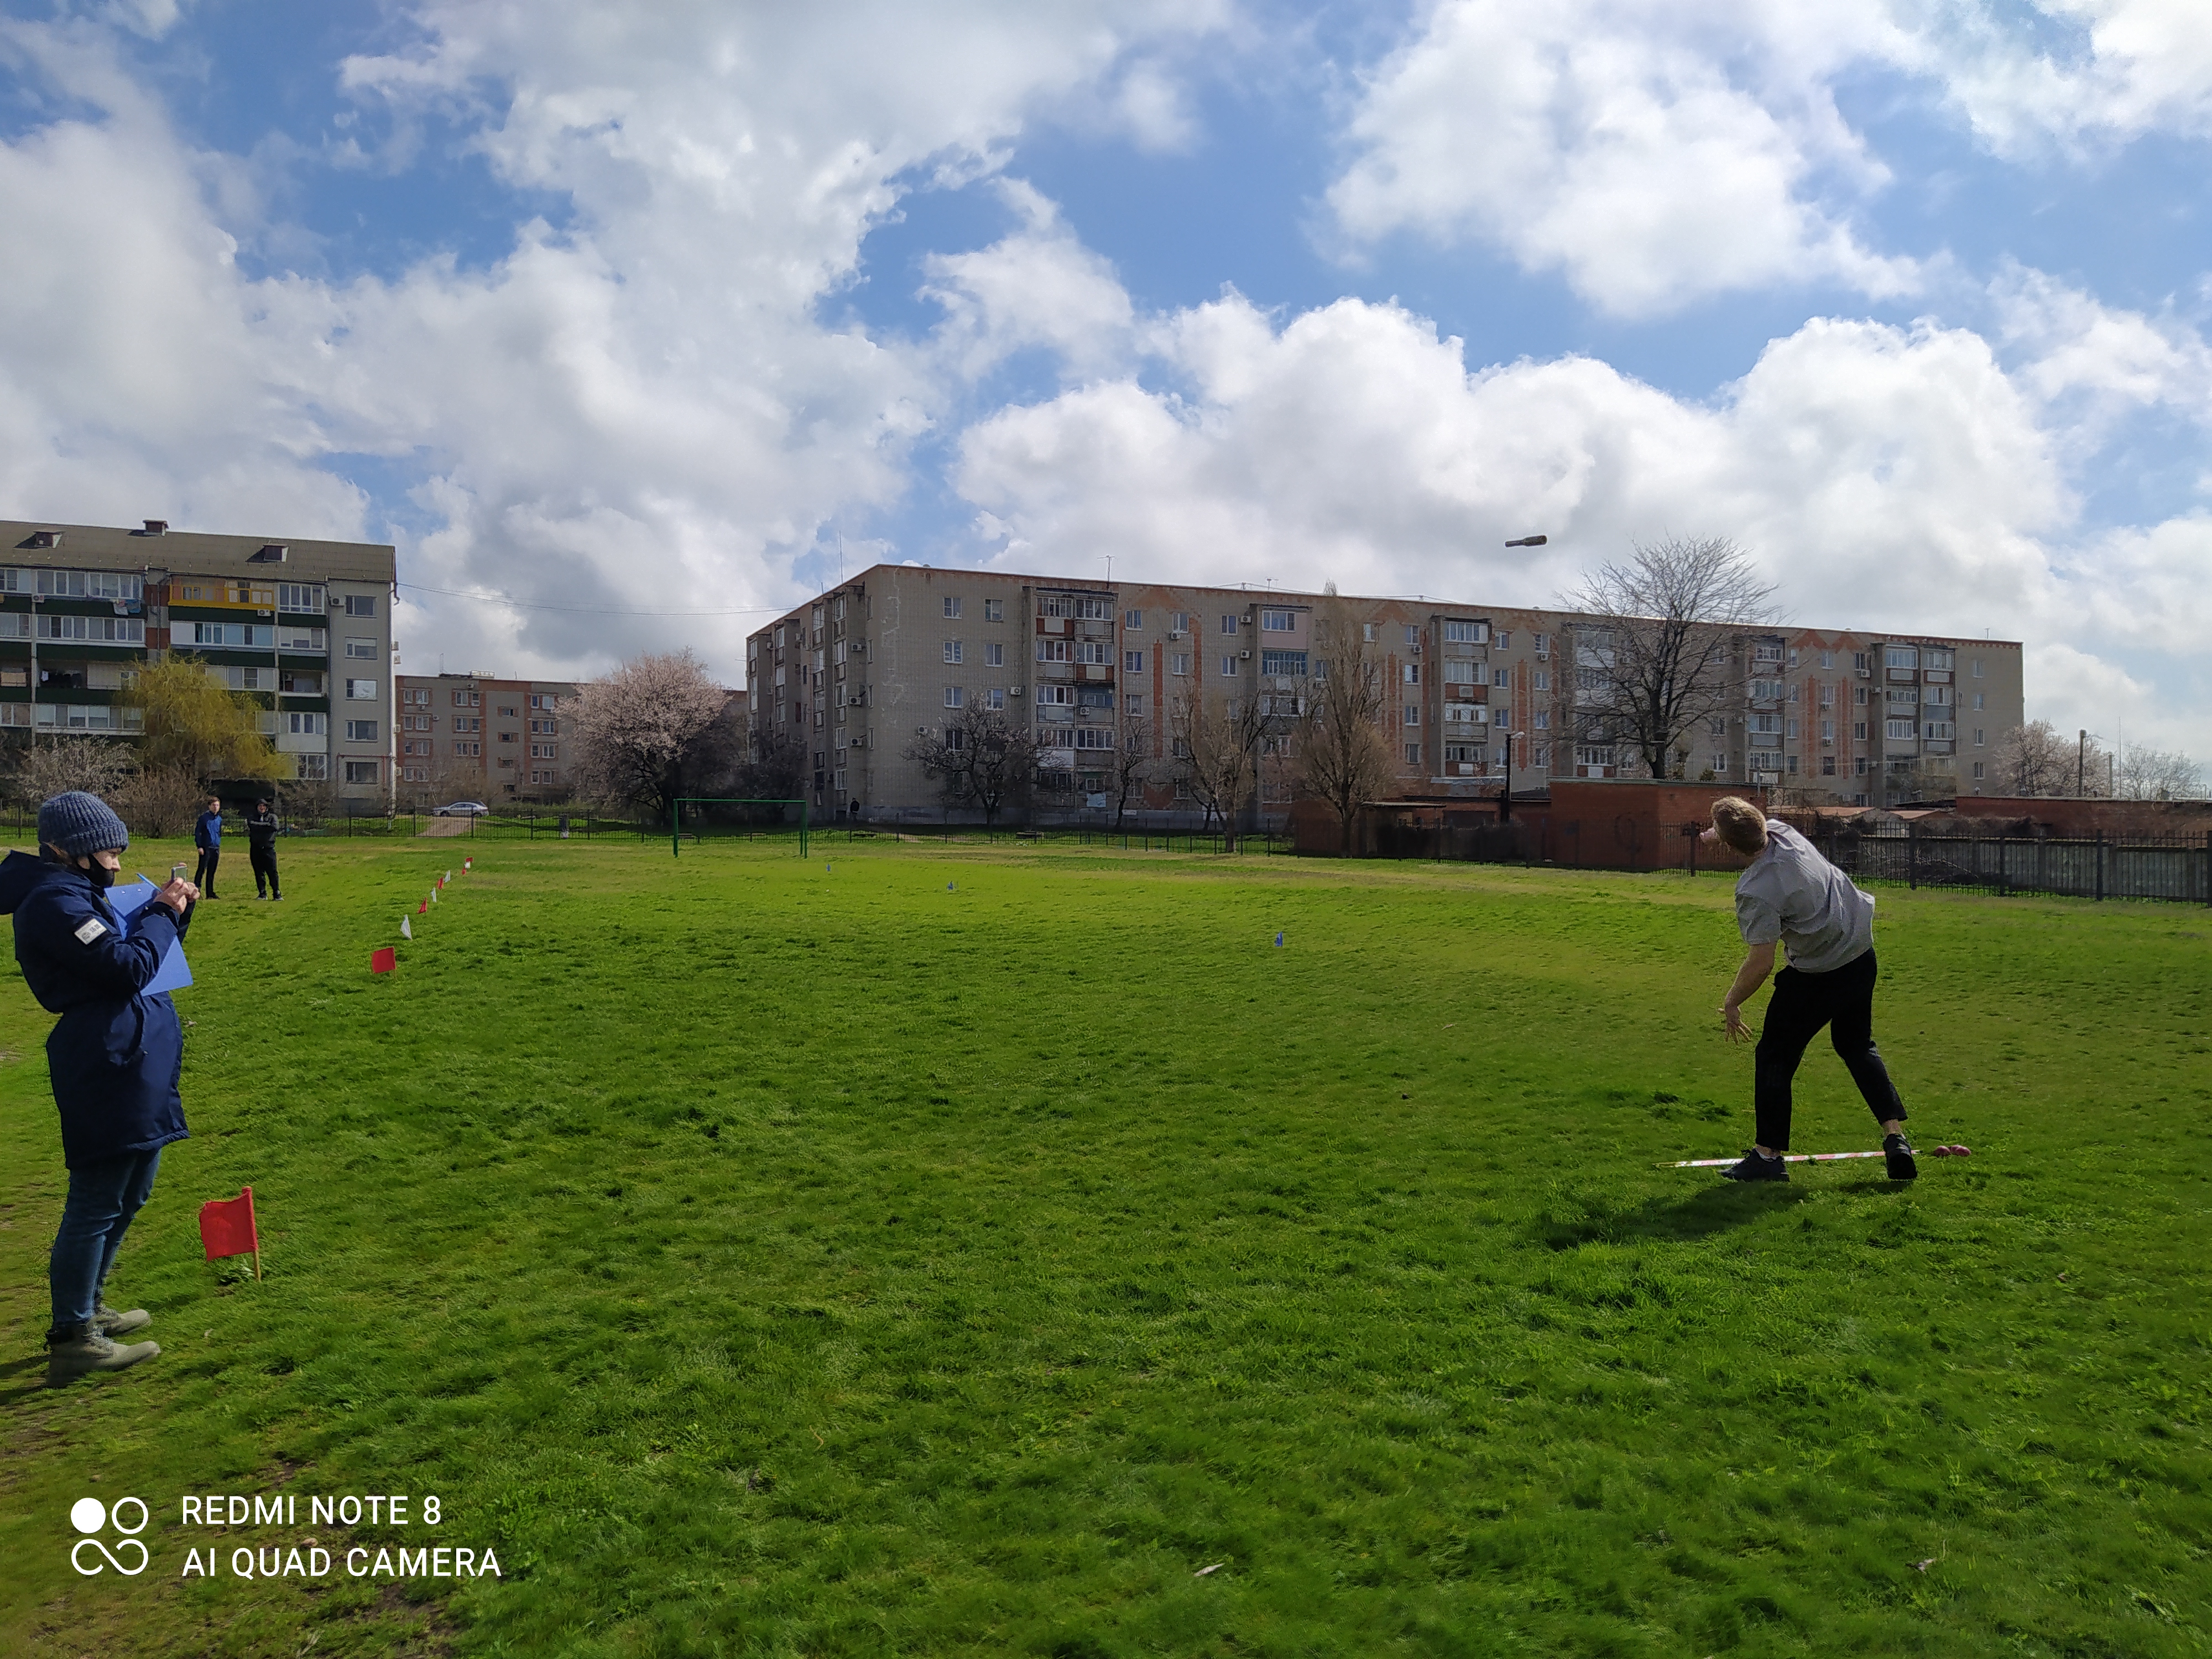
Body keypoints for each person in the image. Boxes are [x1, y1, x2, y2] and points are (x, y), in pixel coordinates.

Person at [1, 791, 197, 1384]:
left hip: (135, 1057)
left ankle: (92, 1306)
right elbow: (124, 968)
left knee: (134, 1190)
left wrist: (173, 912)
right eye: (106, 851)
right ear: (65, 850)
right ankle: (73, 1335)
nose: (115, 863)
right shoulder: (54, 903)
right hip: (104, 1060)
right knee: (96, 1200)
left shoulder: (81, 891)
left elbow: (142, 954)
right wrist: (161, 914)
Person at [1703, 796, 1917, 1183]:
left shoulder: (1755, 889)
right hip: (1860, 953)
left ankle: (1768, 1158)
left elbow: (1761, 961)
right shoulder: (1785, 833)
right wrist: (1716, 833)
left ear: (1730, 846)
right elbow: (1750, 827)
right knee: (1856, 1046)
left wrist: (1732, 1001)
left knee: (1774, 1056)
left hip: (1817, 975)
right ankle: (1895, 1138)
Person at [246, 798, 282, 900]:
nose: (262, 808)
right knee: (259, 872)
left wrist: (260, 827)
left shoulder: (273, 817)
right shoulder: (252, 817)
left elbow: (275, 827)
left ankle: (276, 893)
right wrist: (266, 826)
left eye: (264, 806)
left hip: (269, 849)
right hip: (256, 849)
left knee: (273, 872)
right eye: (260, 806)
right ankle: (262, 893)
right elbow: (252, 825)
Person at [192, 795, 223, 899]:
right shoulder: (204, 818)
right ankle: (196, 891)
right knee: (201, 870)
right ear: (209, 806)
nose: (216, 807)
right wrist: (199, 846)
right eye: (214, 805)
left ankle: (210, 893)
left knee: (212, 871)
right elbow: (198, 833)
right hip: (206, 848)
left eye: (218, 805)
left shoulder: (219, 819)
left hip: (216, 848)